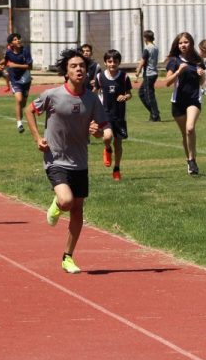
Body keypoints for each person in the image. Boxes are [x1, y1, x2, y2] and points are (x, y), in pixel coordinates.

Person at [27, 48, 111, 274]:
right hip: (55, 158)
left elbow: (103, 128)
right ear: (66, 72)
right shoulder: (52, 95)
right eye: (74, 66)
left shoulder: (92, 99)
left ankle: (68, 257)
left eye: (82, 66)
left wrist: (98, 133)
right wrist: (38, 138)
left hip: (80, 162)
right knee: (66, 201)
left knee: (78, 211)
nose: (79, 69)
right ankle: (56, 205)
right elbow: (30, 110)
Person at [164, 31, 206, 176]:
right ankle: (189, 160)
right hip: (178, 101)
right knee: (184, 134)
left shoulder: (198, 60)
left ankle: (193, 160)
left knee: (190, 128)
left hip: (193, 100)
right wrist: (178, 72)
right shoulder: (174, 61)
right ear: (177, 45)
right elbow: (167, 82)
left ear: (191, 43)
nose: (183, 45)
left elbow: (201, 82)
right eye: (180, 43)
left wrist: (202, 75)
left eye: (186, 42)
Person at [95, 49, 132, 181]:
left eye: (115, 61)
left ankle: (117, 168)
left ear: (119, 62)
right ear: (105, 62)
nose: (112, 64)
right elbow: (95, 92)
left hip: (120, 115)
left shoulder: (124, 77)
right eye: (109, 61)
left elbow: (129, 93)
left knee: (118, 143)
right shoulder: (100, 77)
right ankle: (106, 148)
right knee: (107, 137)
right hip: (105, 113)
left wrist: (125, 96)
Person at [135, 29, 162, 121]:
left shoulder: (147, 48)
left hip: (149, 74)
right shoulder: (155, 47)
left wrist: (138, 71)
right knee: (142, 93)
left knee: (148, 95)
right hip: (154, 73)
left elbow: (143, 61)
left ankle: (155, 115)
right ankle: (153, 113)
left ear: (145, 38)